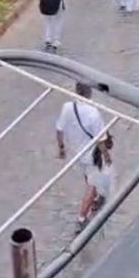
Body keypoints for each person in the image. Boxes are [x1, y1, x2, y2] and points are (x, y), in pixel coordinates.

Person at [56, 82, 112, 234]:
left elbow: (59, 129)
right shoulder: (93, 113)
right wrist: (107, 156)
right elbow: (100, 139)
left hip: (75, 152)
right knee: (92, 184)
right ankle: (81, 218)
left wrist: (61, 147)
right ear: (89, 92)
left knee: (88, 177)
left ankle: (95, 197)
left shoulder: (67, 107)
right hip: (91, 154)